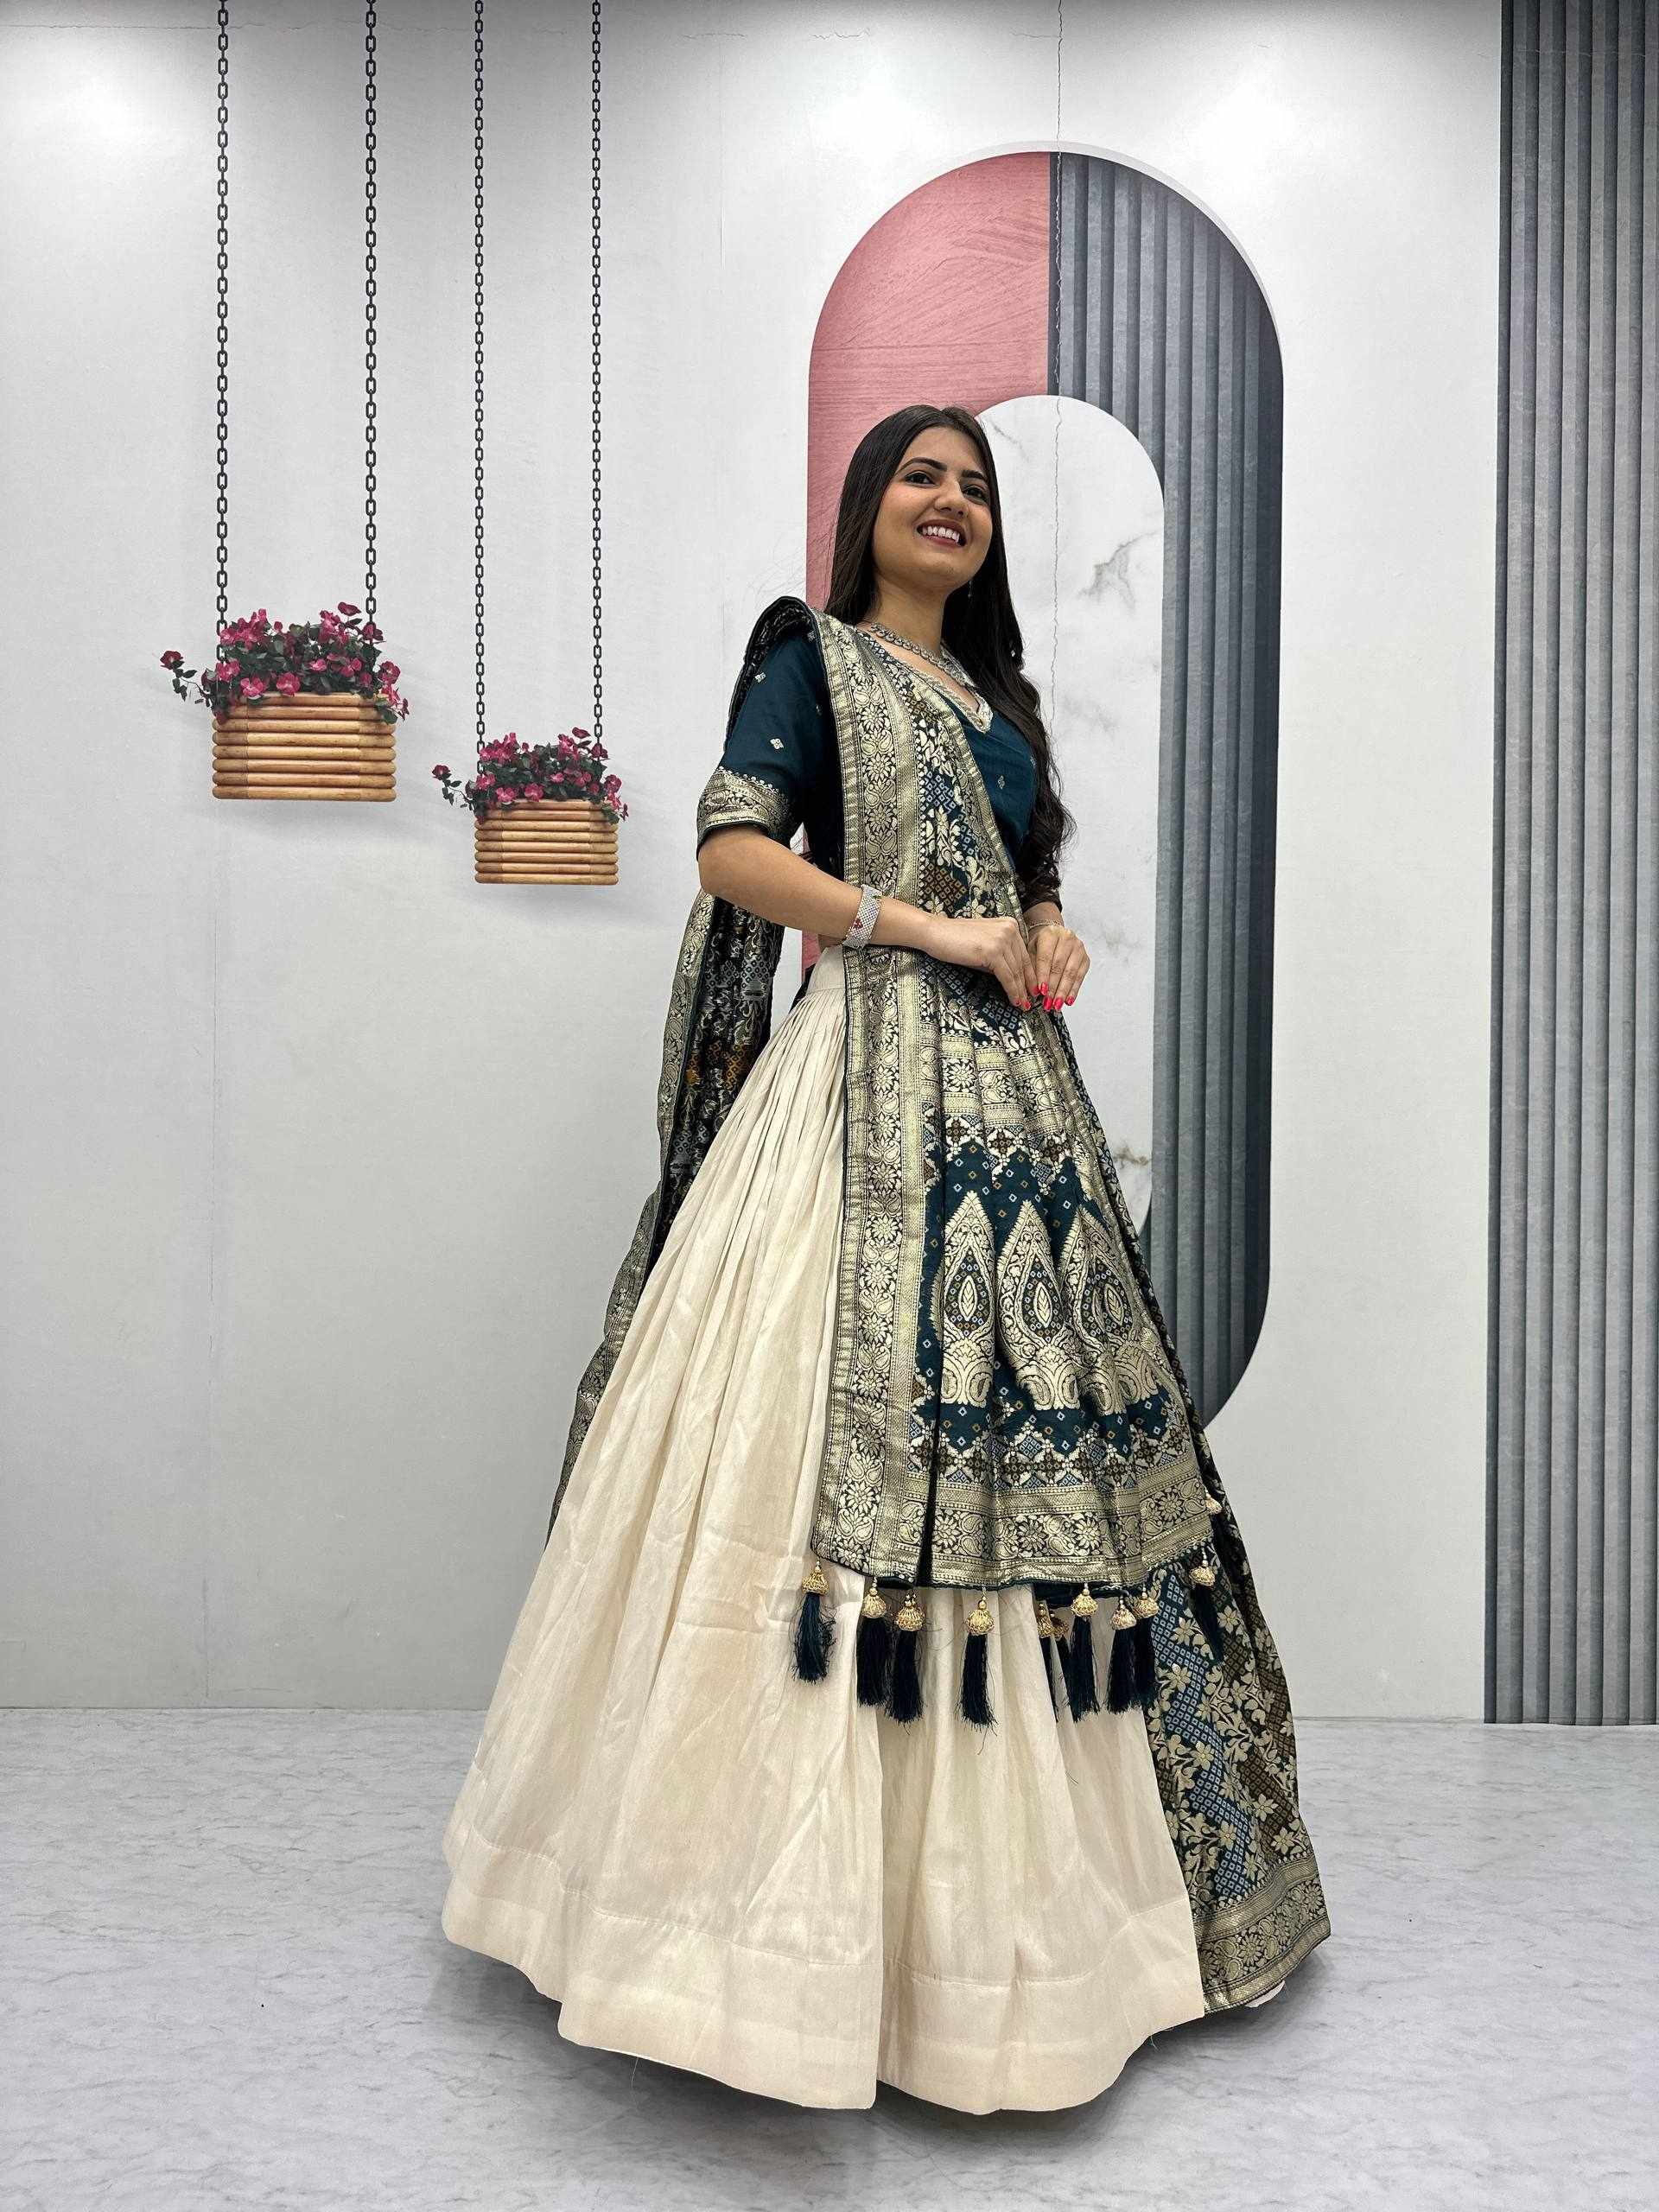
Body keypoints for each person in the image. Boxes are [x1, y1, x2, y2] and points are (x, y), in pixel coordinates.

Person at [439, 404, 1331, 2113]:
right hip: (850, 1098)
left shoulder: (1001, 706)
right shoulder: (814, 659)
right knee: (791, 1452)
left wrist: (1043, 931)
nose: (952, 501)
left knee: (1062, 1474)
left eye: (976, 487)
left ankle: (1031, 1948)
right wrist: (928, 930)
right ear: (867, 507)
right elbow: (732, 851)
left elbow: (1031, 882)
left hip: (1017, 1119)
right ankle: (758, 1948)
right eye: (924, 475)